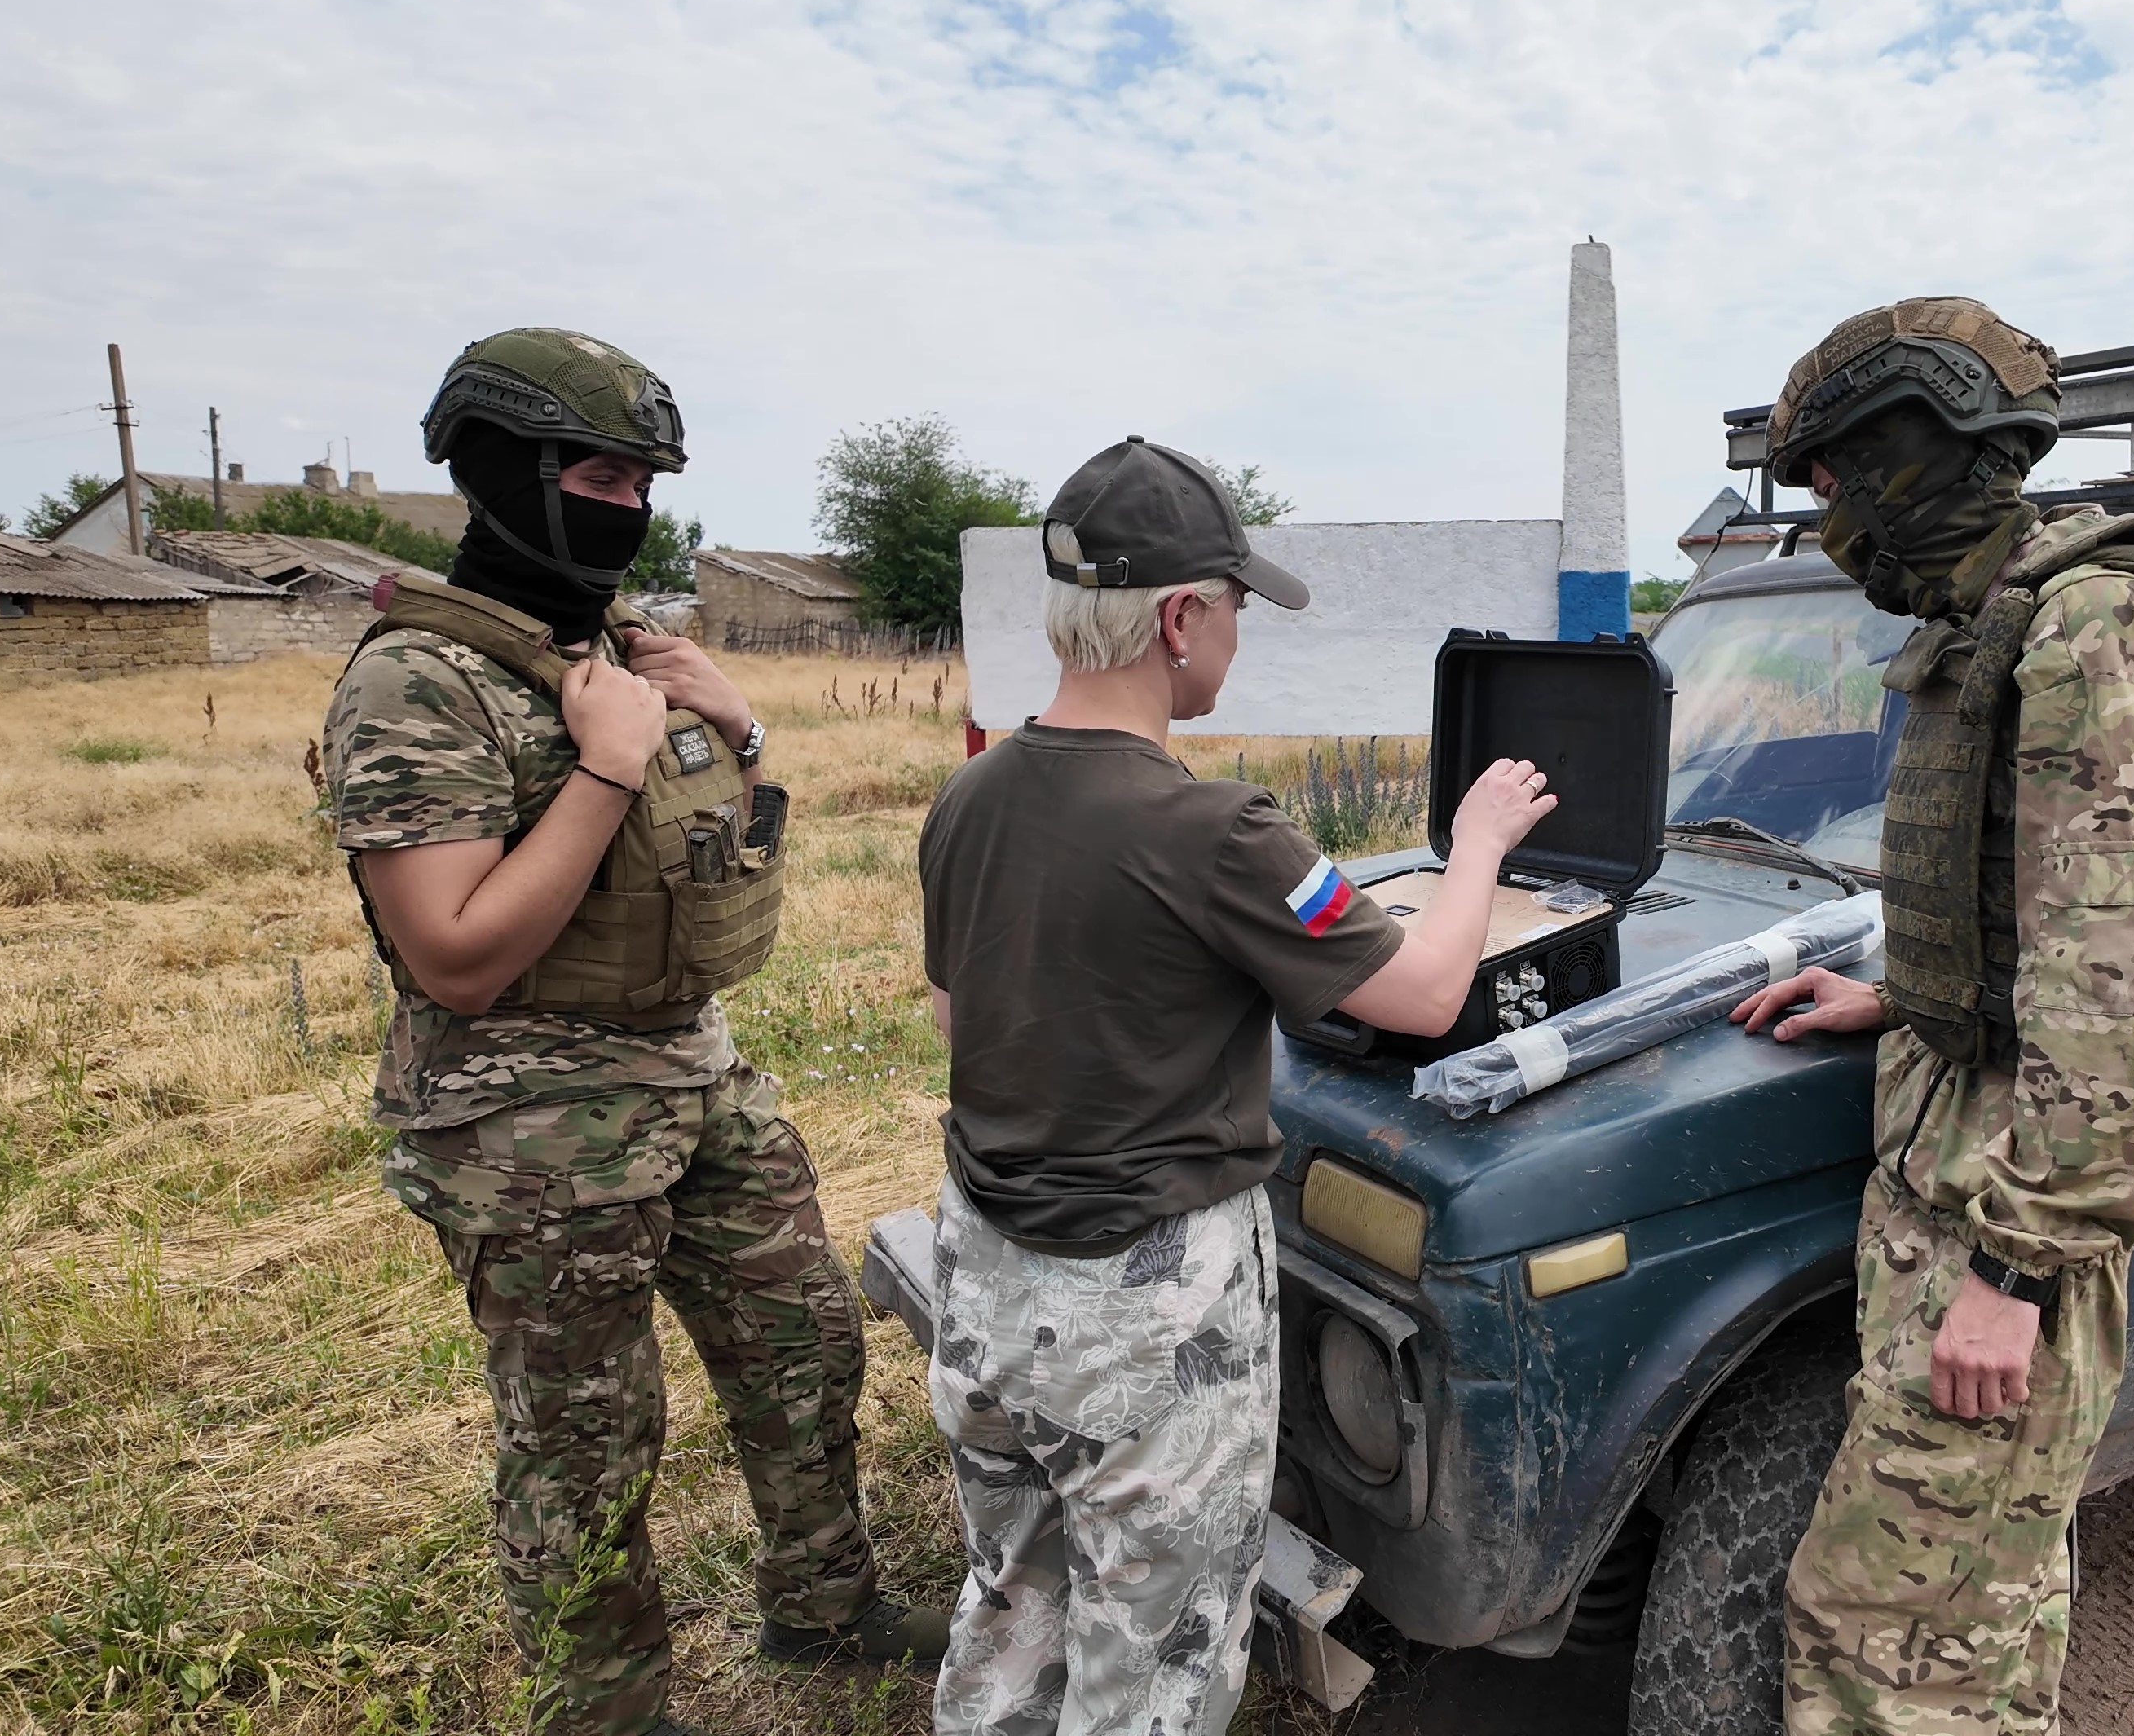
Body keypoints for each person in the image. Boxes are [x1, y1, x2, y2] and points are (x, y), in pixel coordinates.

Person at [322, 328, 945, 1736]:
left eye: (645, 478)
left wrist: (743, 733)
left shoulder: (604, 648)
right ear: (503, 472)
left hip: (690, 1066)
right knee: (586, 1443)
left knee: (804, 1338)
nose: (629, 505)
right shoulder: (419, 681)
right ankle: (607, 1710)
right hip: (528, 1122)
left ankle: (823, 1609)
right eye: (599, 473)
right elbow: (457, 954)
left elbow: (706, 855)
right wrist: (605, 763)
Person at [915, 436, 1558, 1736]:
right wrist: (1479, 842)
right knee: (1152, 1662)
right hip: (1140, 1331)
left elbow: (960, 1015)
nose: (1238, 640)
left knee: (1015, 1600)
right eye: (1237, 608)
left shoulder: (967, 798)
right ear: (1177, 617)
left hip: (985, 1289)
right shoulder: (1220, 832)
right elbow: (1430, 995)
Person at [1726, 299, 2134, 1735]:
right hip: (1955, 1169)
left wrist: (2012, 1279)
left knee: (1885, 1644)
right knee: (1977, 1616)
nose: (1831, 522)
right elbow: (2034, 910)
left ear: (1920, 452)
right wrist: (1905, 992)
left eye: (1839, 484)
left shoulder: (2094, 626)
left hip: (2004, 1213)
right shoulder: (2006, 613)